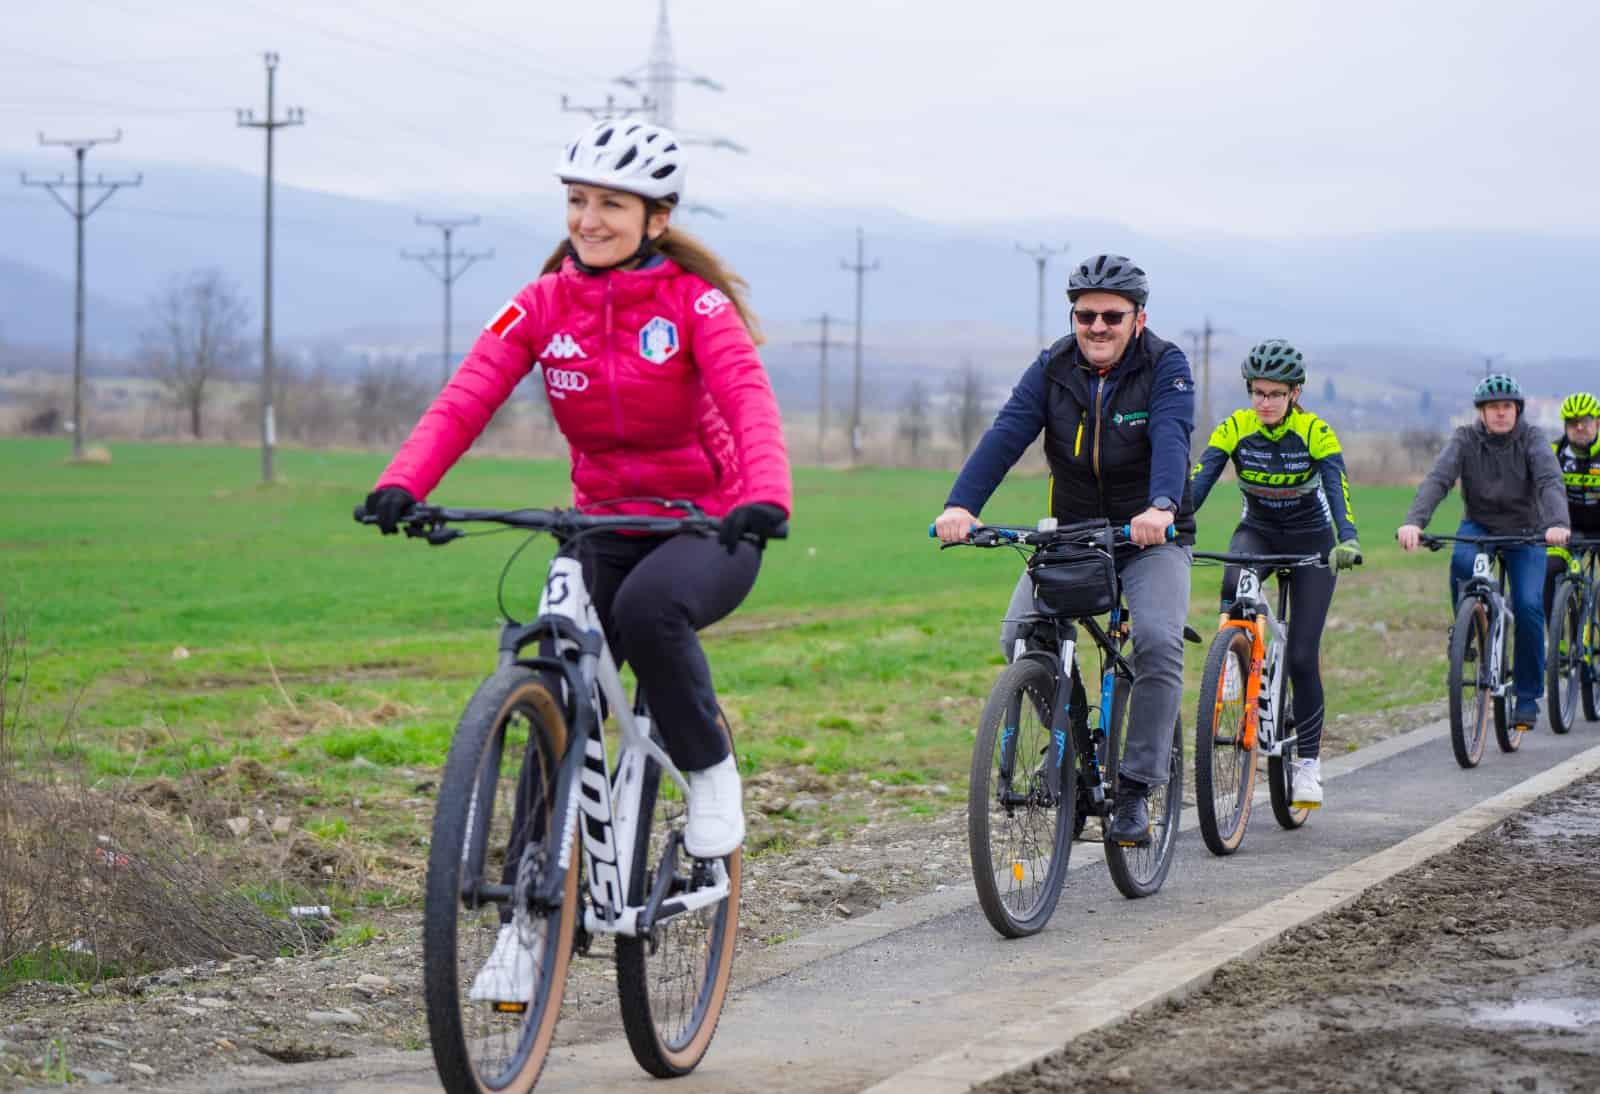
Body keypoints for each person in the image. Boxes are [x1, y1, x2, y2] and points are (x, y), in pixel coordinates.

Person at [361, 119, 792, 997]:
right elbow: (468, 393)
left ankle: (710, 775)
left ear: (656, 218)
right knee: (552, 668)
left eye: (610, 204)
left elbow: (747, 397)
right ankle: (527, 923)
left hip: (708, 526)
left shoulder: (691, 306)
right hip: (601, 521)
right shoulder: (542, 303)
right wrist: (404, 480)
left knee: (647, 614)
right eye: (578, 201)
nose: (589, 219)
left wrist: (765, 496)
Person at [932, 254, 1195, 846]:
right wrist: (961, 505)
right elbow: (1007, 432)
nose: (1097, 327)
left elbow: (1172, 435)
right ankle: (1076, 757)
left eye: (1111, 315)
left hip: (1151, 534)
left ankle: (1135, 788)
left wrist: (1161, 507)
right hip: (1073, 534)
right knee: (1019, 637)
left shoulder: (1166, 366)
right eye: (1085, 315)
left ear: (1139, 318)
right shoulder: (1053, 367)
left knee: (1155, 641)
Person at [1189, 340, 1361, 809]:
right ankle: (1233, 661)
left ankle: (1308, 766)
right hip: (1260, 534)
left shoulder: (1315, 432)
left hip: (1312, 543)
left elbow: (1336, 485)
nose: (1265, 402)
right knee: (1233, 582)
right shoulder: (1235, 427)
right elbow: (1199, 480)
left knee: (1303, 657)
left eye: (1275, 394)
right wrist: (1174, 523)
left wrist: (1348, 537)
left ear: (1294, 393)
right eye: (1258, 393)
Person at [1397, 374, 1568, 729]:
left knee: (1528, 605)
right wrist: (1414, 521)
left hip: (1528, 532)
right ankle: (1467, 628)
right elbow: (1438, 480)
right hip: (1480, 527)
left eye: (1507, 407)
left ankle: (1526, 696)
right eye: (1493, 408)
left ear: (1517, 410)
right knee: (1461, 561)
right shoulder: (1465, 439)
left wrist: (1557, 523)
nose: (1501, 413)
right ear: (1482, 412)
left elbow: (1550, 481)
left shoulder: (1532, 439)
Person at [1545, 393, 1600, 614]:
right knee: (1549, 571)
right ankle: (1557, 643)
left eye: (1585, 421)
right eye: (1571, 422)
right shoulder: (1553, 452)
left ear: (1597, 422)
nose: (1578, 427)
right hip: (1566, 529)